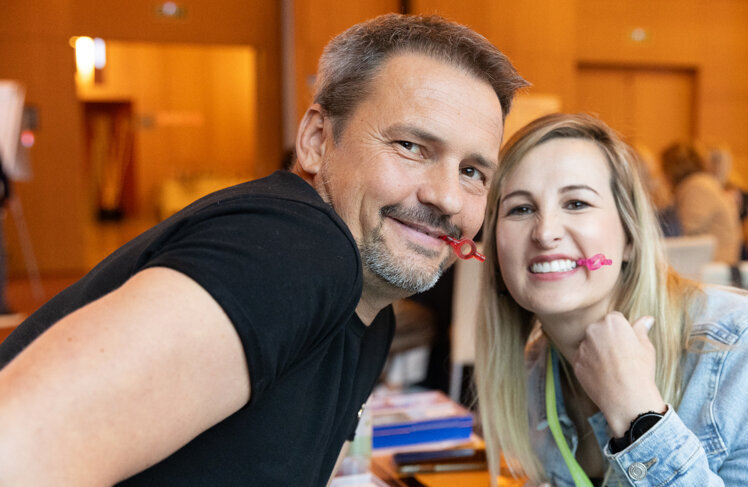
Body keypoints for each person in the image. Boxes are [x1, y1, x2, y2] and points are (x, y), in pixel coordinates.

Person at [0, 14, 527, 486]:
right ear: (318, 141)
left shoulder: (370, 312)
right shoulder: (300, 249)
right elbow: (15, 450)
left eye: (473, 172)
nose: (447, 197)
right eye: (412, 147)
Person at [474, 113, 748, 486]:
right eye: (520, 209)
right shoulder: (529, 376)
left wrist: (640, 419)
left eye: (577, 203)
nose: (545, 232)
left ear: (629, 237)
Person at [660, 141, 743, 264]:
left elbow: (679, 233)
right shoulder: (701, 183)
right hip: (713, 262)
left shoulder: (696, 187)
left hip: (715, 266)